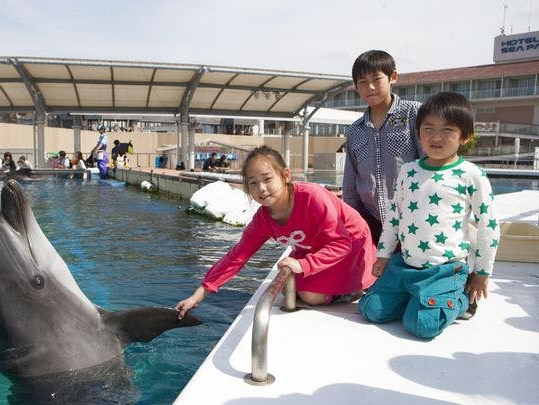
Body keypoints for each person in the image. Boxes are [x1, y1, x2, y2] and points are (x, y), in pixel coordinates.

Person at [358, 92, 500, 339]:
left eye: (448, 130)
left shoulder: (471, 175)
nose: (436, 137)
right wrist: (383, 254)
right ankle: (416, 298)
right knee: (370, 309)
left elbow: (489, 225)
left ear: (464, 136)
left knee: (422, 326)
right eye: (428, 128)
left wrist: (481, 273)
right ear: (418, 131)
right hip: (405, 264)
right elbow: (394, 216)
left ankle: (461, 299)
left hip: (445, 269)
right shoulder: (408, 171)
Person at [176, 145, 376, 319]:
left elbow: (341, 243)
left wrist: (303, 264)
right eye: (253, 183)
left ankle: (350, 290)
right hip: (315, 245)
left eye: (267, 179)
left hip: (351, 244)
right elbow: (237, 257)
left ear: (285, 175)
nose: (261, 188)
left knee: (310, 296)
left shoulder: (311, 197)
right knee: (291, 288)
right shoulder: (262, 220)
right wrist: (199, 294)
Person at [343, 50, 423, 244]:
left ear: (393, 77)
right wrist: (351, 222)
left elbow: (429, 161)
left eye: (376, 79)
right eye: (362, 82)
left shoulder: (414, 113)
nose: (370, 87)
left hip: (413, 218)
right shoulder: (355, 130)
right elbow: (350, 183)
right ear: (356, 86)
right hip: (371, 221)